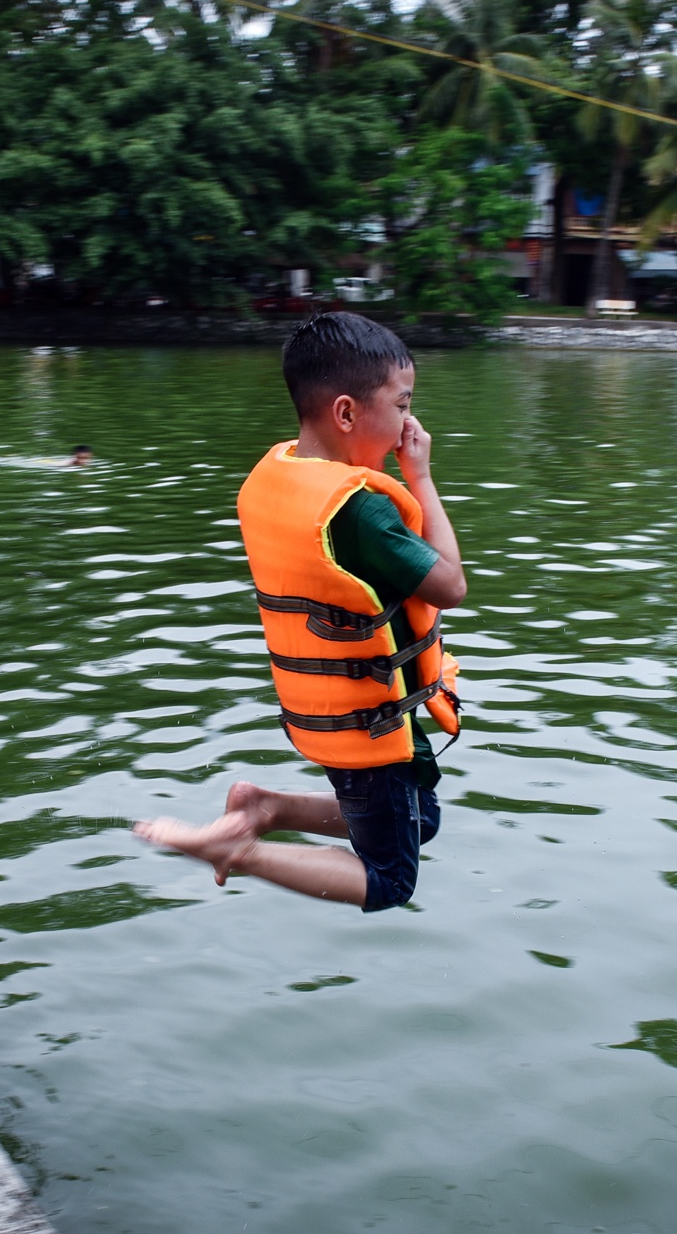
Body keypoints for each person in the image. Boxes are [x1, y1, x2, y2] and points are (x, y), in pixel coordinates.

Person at [135, 312, 466, 911]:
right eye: (401, 405)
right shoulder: (362, 512)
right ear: (346, 413)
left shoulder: (284, 474)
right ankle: (239, 849)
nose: (407, 425)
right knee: (391, 879)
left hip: (340, 712)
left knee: (422, 820)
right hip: (371, 721)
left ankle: (268, 808)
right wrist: (419, 474)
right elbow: (450, 585)